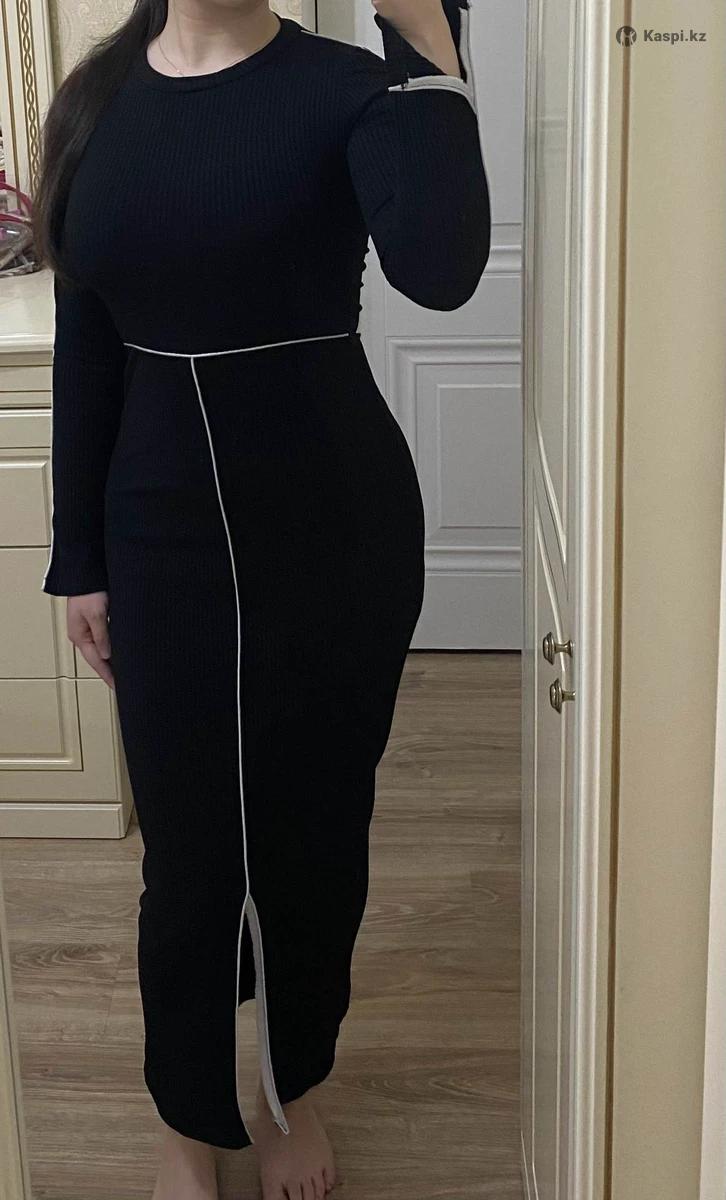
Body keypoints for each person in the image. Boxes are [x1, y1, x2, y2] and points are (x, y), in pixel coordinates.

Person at [33, 0, 491, 1196]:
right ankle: (188, 1119)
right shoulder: (93, 105)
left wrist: (428, 42)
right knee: (189, 857)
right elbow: (86, 341)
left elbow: (442, 271)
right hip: (155, 530)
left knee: (314, 836)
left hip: (335, 529)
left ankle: (296, 1087)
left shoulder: (349, 88)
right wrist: (78, 555)